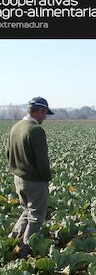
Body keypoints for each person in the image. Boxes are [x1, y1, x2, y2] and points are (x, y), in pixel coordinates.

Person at [6, 97, 53, 256]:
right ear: (39, 111)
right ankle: (25, 249)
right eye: (45, 113)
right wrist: (46, 178)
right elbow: (42, 160)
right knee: (36, 218)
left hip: (18, 178)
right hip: (34, 181)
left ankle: (13, 239)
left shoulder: (16, 127)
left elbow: (8, 153)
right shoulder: (35, 130)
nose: (45, 117)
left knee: (27, 211)